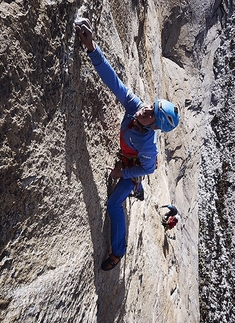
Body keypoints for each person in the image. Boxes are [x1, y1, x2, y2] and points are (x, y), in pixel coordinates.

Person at [75, 19, 180, 271]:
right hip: (127, 160)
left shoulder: (147, 146)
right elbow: (114, 83)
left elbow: (148, 169)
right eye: (151, 105)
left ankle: (118, 252)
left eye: (151, 112)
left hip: (132, 171)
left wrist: (123, 173)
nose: (145, 108)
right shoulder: (136, 107)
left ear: (154, 126)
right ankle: (136, 190)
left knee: (113, 203)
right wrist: (92, 48)